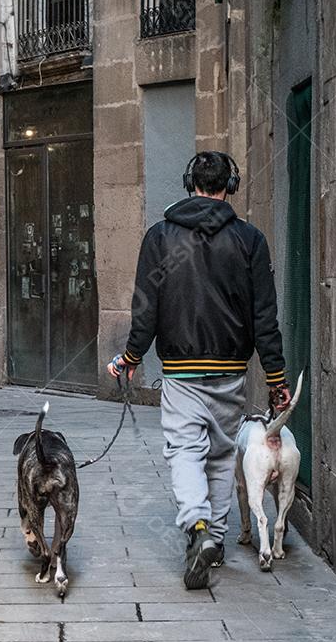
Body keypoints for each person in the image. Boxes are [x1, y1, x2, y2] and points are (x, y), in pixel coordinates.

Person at [107, 151, 291, 591]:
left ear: (190, 184)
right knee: (222, 454)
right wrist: (277, 379)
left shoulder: (159, 236)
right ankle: (217, 541)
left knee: (185, 450)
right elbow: (265, 318)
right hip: (230, 369)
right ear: (231, 186)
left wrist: (131, 357)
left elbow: (145, 308)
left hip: (180, 369)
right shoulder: (250, 239)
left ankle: (198, 526)